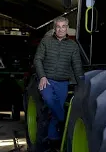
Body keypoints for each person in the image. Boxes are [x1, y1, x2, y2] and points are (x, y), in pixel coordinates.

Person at [34, 16, 84, 150]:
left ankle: (53, 140)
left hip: (63, 83)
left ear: (67, 28)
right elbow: (37, 59)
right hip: (47, 81)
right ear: (54, 28)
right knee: (51, 101)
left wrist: (82, 84)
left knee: (55, 112)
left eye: (63, 26)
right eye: (58, 26)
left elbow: (77, 65)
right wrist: (42, 76)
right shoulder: (46, 42)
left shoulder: (73, 45)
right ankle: (64, 122)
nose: (61, 29)